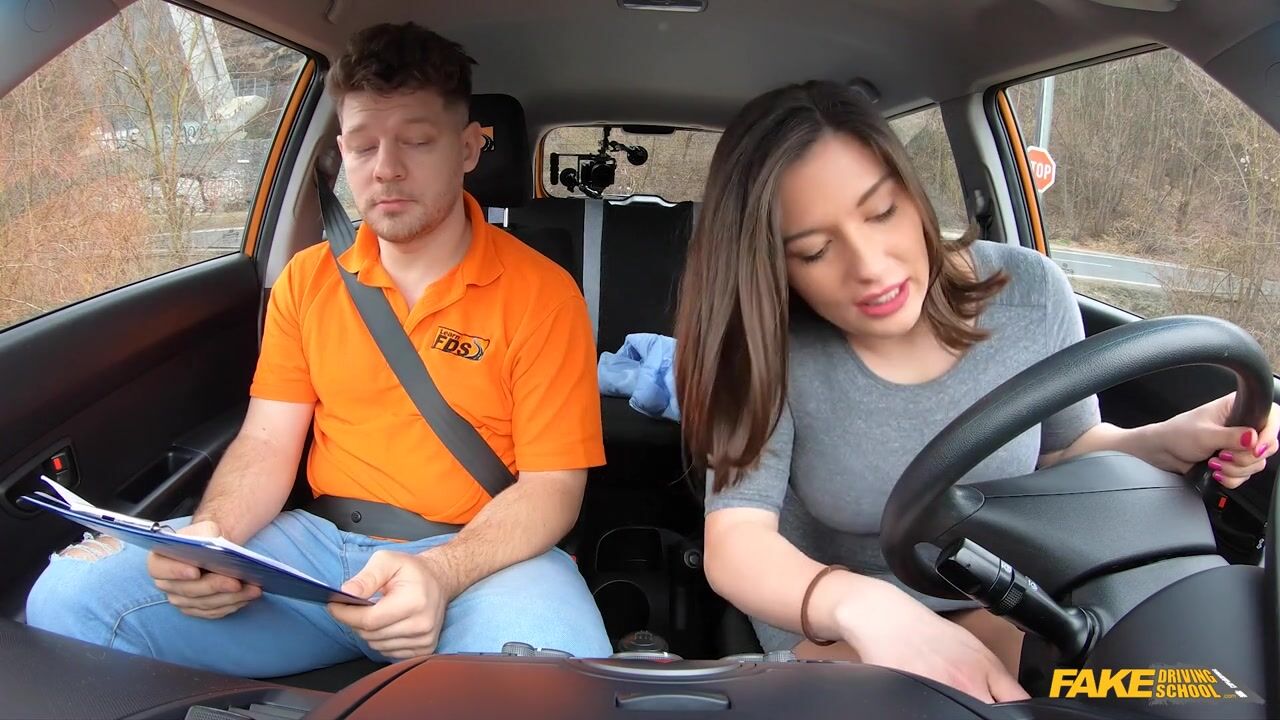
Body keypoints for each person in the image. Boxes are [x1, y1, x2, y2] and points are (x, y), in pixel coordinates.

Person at [26, 22, 612, 676]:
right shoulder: (307, 280)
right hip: (314, 556)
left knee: (555, 683)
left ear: (469, 148)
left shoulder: (542, 293)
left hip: (482, 562)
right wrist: (215, 539)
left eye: (417, 141)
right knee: (71, 598)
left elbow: (553, 487)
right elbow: (266, 441)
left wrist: (442, 572)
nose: (386, 168)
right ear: (341, 152)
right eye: (363, 147)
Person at [673, 80, 1279, 703]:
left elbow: (1063, 451)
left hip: (1002, 591)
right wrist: (867, 607)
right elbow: (738, 544)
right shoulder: (764, 346)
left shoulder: (1030, 293)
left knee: (1173, 689)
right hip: (835, 618)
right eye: (815, 250)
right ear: (774, 263)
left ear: (913, 195)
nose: (871, 266)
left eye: (882, 213)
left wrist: (1170, 441)